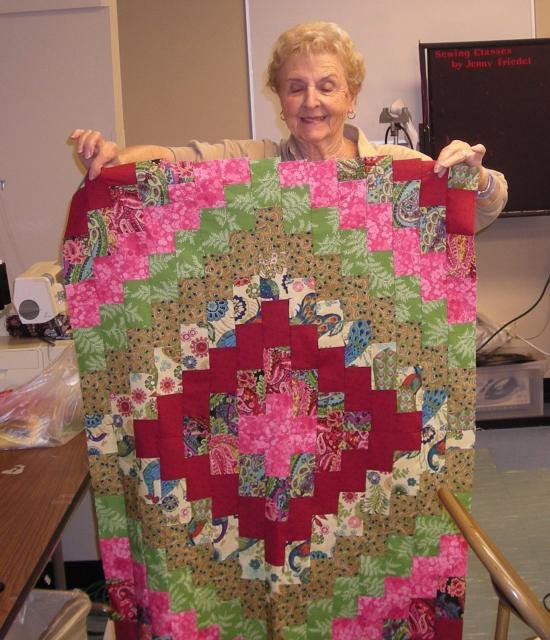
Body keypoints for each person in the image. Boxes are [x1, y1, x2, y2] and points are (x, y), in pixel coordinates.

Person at [70, 21, 507, 231]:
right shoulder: (251, 164)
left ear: (351, 96)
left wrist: (478, 177)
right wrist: (117, 157)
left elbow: (484, 209)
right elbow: (170, 160)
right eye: (296, 87)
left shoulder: (396, 169)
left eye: (327, 87)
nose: (311, 101)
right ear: (280, 99)